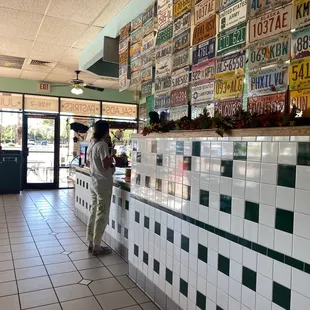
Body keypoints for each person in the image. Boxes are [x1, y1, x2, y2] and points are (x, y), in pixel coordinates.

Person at [86, 120, 114, 256]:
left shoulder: (91, 144)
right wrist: (112, 157)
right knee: (102, 214)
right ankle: (97, 246)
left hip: (94, 182)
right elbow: (105, 164)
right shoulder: (102, 145)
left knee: (94, 211)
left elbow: (87, 162)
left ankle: (91, 242)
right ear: (105, 130)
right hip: (103, 184)